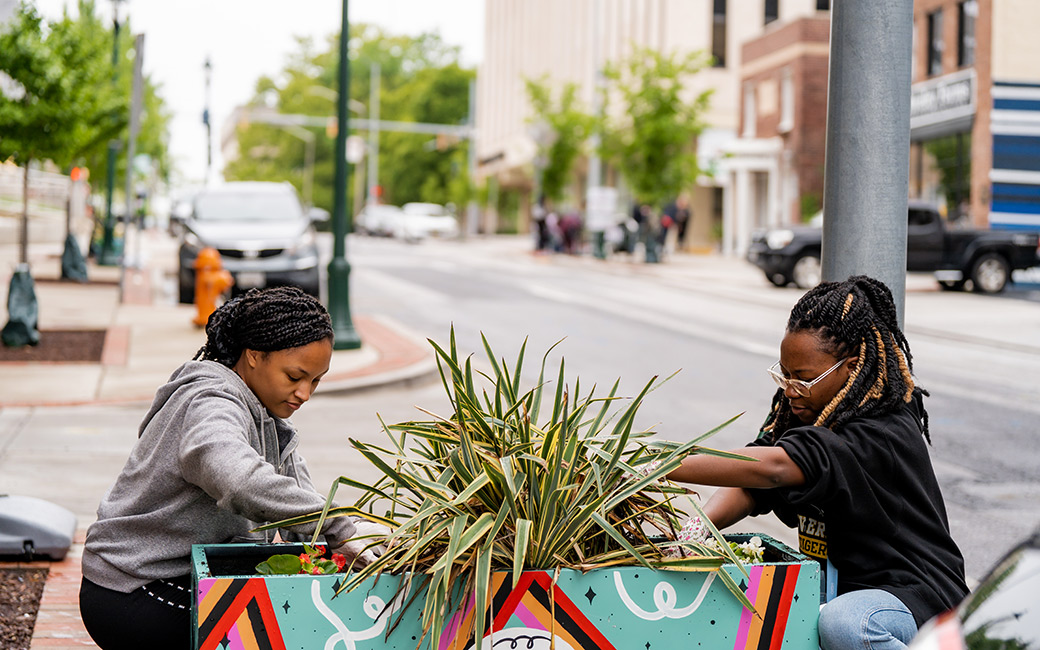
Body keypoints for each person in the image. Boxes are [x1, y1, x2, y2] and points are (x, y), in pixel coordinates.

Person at [667, 276, 967, 650]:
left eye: (804, 379)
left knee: (846, 625)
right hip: (837, 587)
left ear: (852, 367)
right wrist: (695, 532)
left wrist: (656, 465)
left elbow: (772, 467)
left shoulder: (878, 433)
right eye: (785, 375)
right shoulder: (803, 413)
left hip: (910, 597)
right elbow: (750, 482)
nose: (790, 390)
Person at [79, 286, 383, 650]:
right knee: (272, 629)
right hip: (134, 588)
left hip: (179, 576)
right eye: (295, 376)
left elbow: (300, 510)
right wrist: (338, 523)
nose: (305, 393)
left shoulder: (269, 414)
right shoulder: (210, 402)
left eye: (315, 381)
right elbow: (238, 480)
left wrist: (363, 534)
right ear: (254, 355)